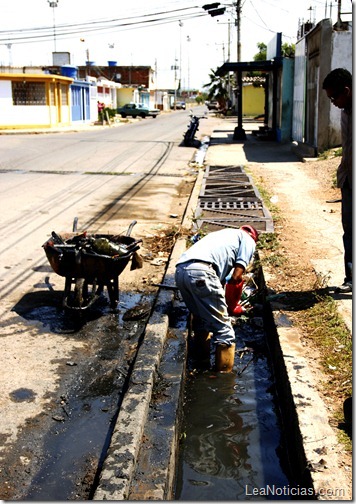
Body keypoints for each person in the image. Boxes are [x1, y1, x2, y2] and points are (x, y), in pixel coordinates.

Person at [175, 225, 258, 373]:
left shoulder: (222, 235)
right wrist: (231, 305)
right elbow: (236, 276)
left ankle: (201, 364)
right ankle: (223, 380)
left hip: (181, 271)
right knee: (225, 332)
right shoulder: (248, 240)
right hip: (202, 273)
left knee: (201, 321)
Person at [322, 68, 352, 293]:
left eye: (334, 97)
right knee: (349, 230)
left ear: (347, 91)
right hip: (348, 179)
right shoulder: (345, 111)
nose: (332, 102)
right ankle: (350, 278)